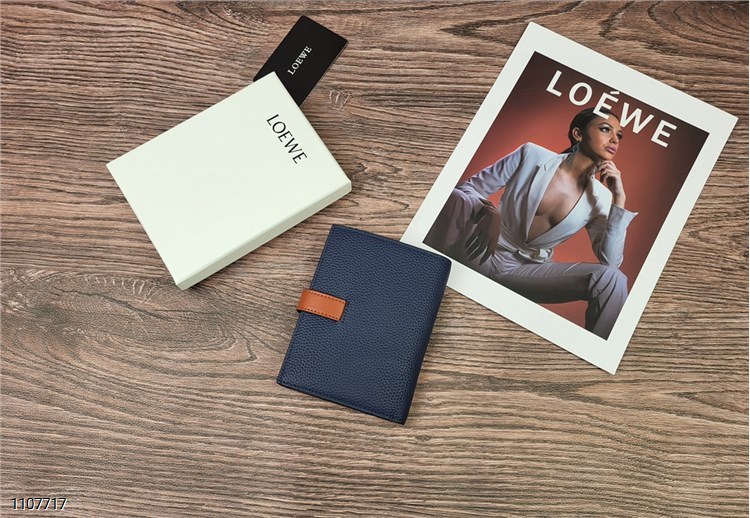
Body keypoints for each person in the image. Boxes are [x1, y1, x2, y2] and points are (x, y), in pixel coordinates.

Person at [424, 107, 638, 339]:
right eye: (606, 129)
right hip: (481, 249)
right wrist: (489, 212)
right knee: (454, 199)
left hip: (526, 271)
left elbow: (610, 262)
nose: (615, 139)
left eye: (619, 135)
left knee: (614, 280)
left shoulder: (602, 198)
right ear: (578, 134)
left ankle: (594, 351)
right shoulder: (532, 155)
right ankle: (423, 276)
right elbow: (466, 189)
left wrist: (619, 199)